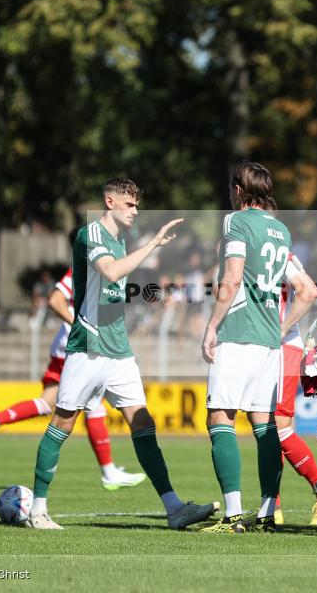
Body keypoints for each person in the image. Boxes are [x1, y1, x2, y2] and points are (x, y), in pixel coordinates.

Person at [26, 178, 215, 530]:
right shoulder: (92, 234)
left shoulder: (119, 239)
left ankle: (174, 508)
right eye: (129, 205)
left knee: (143, 423)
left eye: (137, 205)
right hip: (90, 347)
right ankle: (37, 510)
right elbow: (111, 271)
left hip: (119, 350)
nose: (135, 211)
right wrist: (153, 243)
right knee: (62, 424)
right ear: (109, 202)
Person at [200, 162, 317, 534]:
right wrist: (281, 328)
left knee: (220, 417)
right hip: (269, 344)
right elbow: (308, 291)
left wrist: (211, 326)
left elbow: (232, 278)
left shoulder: (236, 222)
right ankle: (268, 511)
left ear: (239, 188)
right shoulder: (281, 231)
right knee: (264, 427)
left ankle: (234, 514)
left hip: (237, 333)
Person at [0, 261, 145, 490]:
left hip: (68, 347)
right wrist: (83, 327)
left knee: (49, 402)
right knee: (93, 407)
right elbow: (56, 299)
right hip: (77, 348)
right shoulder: (88, 265)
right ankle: (108, 472)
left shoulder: (99, 267)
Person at [260, 198, 317, 526]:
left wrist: (283, 329)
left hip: (282, 349)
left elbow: (309, 291)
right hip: (264, 349)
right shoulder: (252, 252)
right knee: (268, 429)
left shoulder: (280, 254)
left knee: (279, 428)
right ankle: (272, 507)